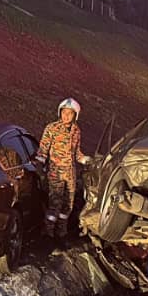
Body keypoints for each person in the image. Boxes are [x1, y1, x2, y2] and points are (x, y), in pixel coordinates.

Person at [36, 97, 90, 242]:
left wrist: (85, 159)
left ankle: (61, 234)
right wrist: (39, 164)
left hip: (70, 173)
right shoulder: (52, 128)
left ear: (75, 115)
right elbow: (43, 149)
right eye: (64, 112)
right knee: (55, 203)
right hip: (56, 172)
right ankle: (47, 234)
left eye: (69, 113)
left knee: (67, 205)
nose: (66, 116)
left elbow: (76, 153)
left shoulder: (76, 131)